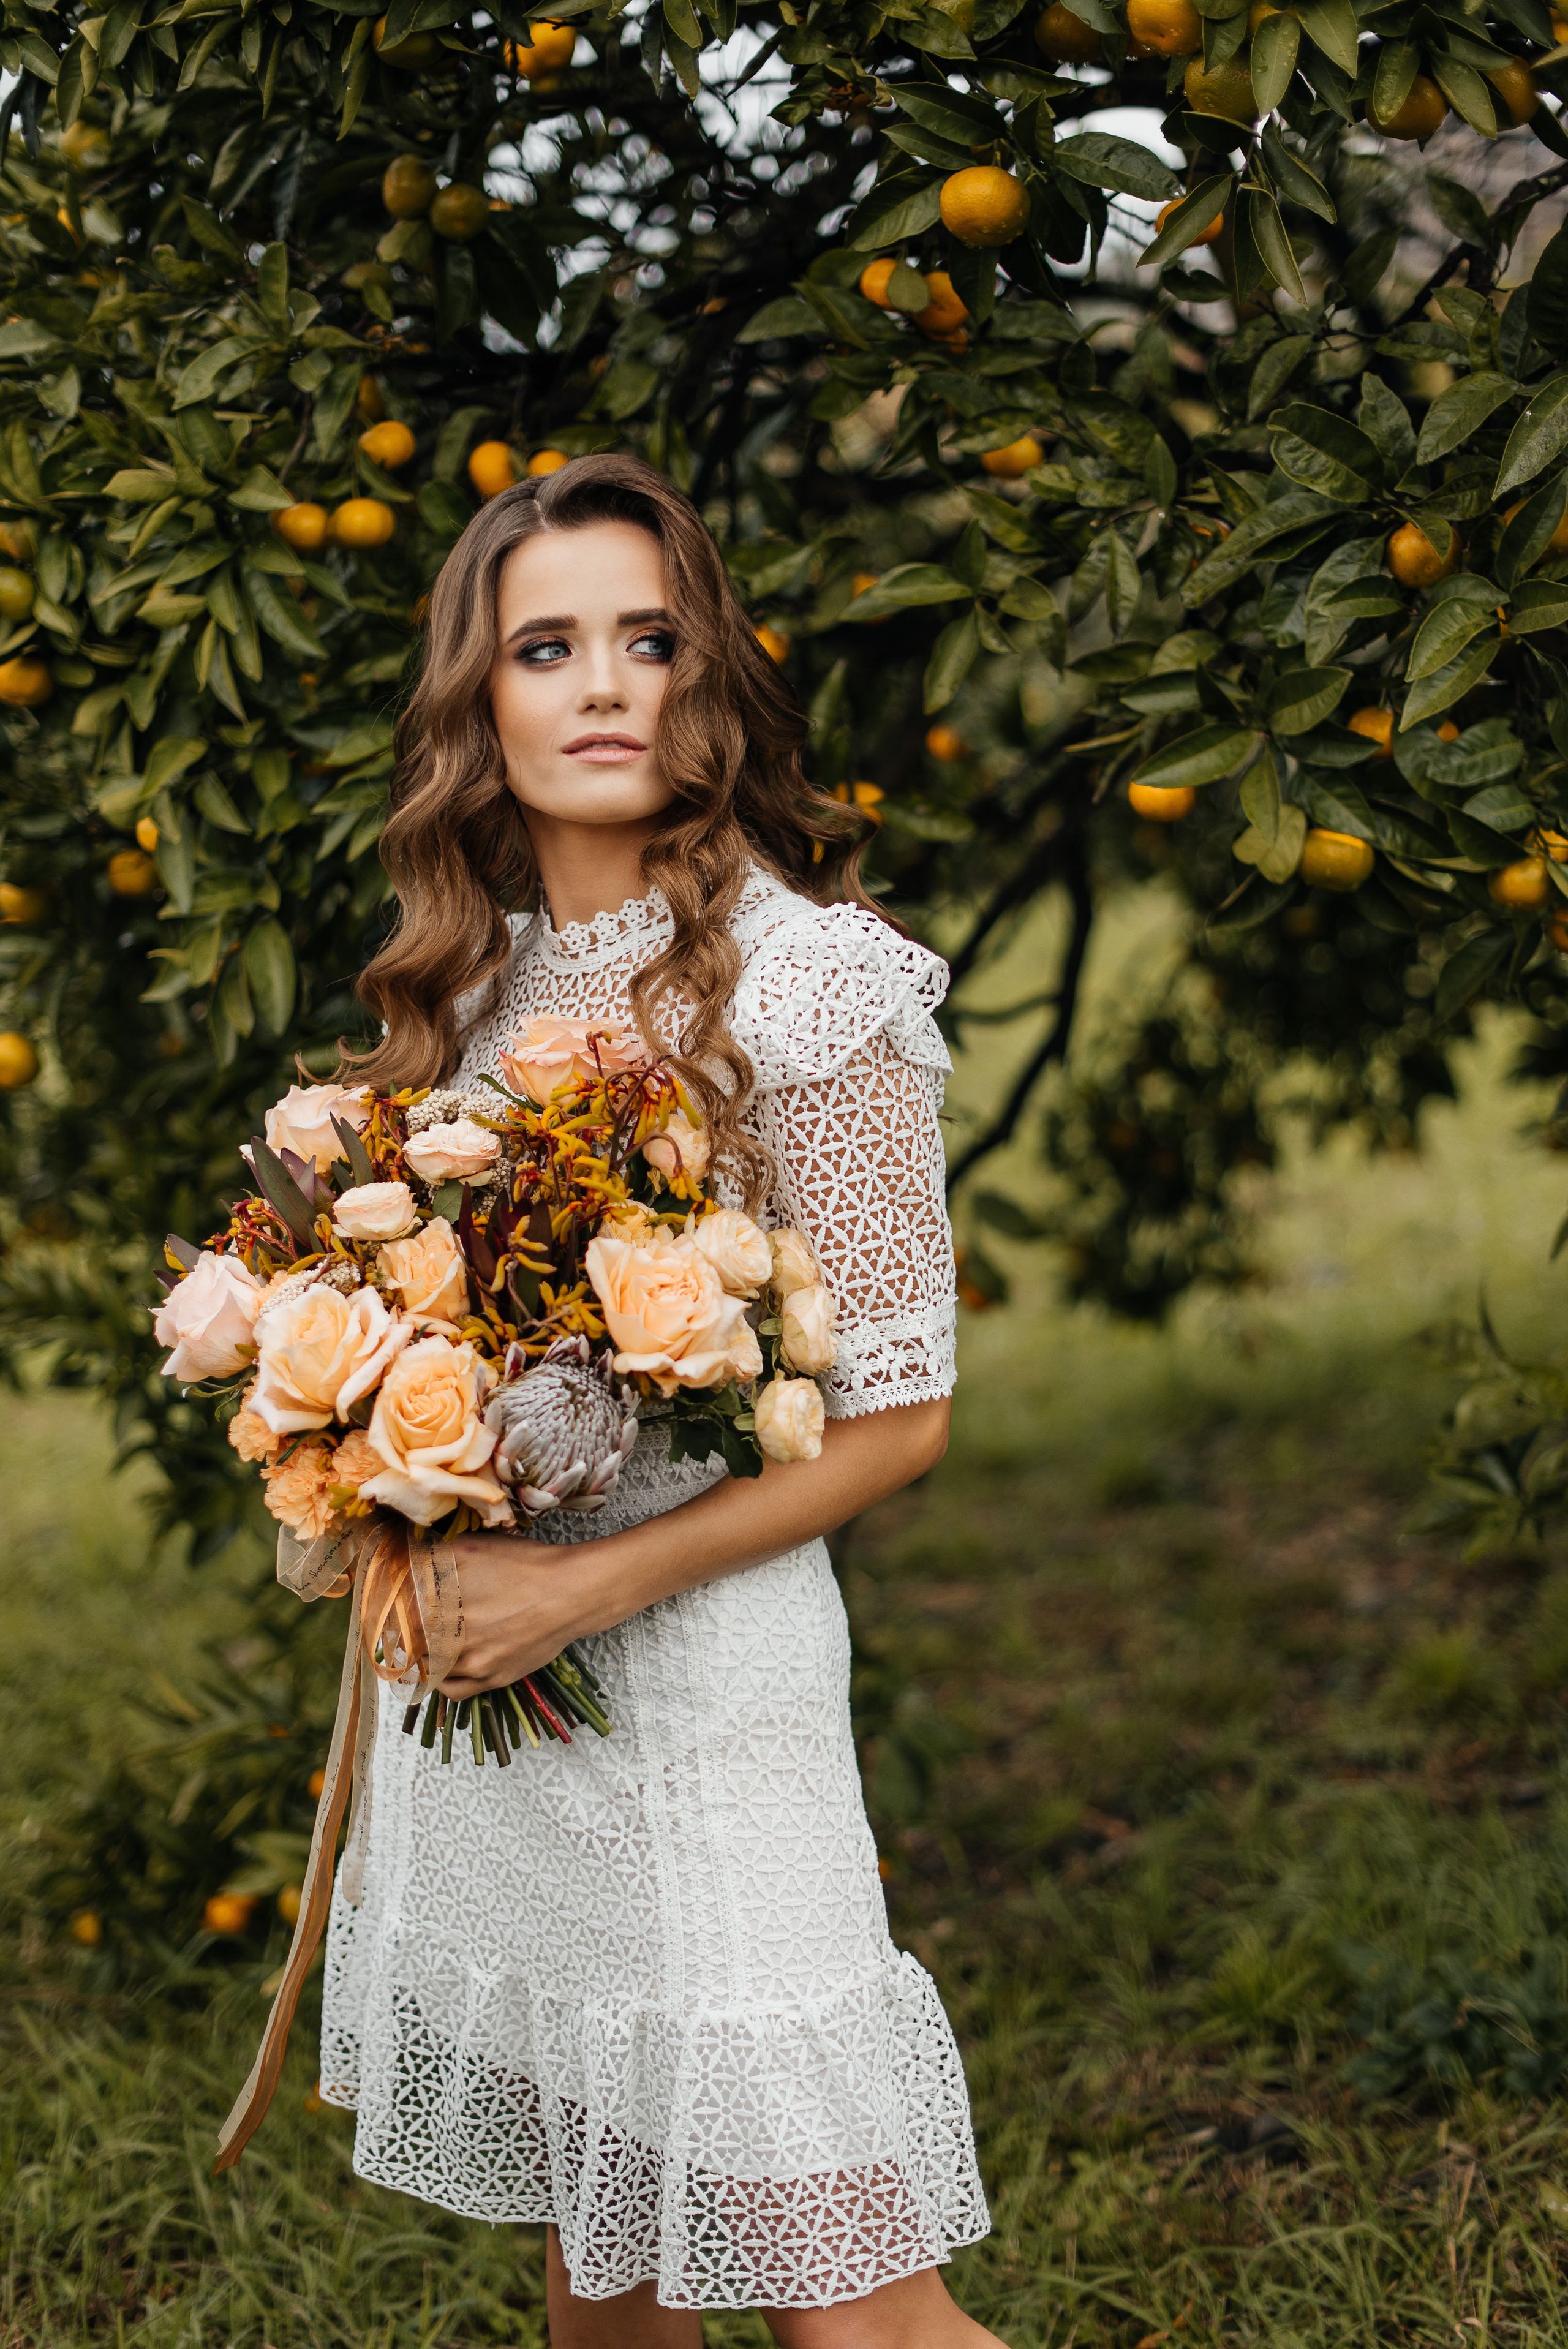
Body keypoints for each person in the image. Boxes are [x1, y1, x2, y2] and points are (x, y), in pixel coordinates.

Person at [323, 452, 1003, 2348]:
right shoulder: (468, 991)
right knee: (602, 2279)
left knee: (854, 2310)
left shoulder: (810, 986)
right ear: (485, 702)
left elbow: (900, 1418)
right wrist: (374, 1493)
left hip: (708, 1694)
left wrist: (579, 1591)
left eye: (650, 639)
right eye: (550, 646)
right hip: (510, 1730)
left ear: (708, 687)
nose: (604, 684)